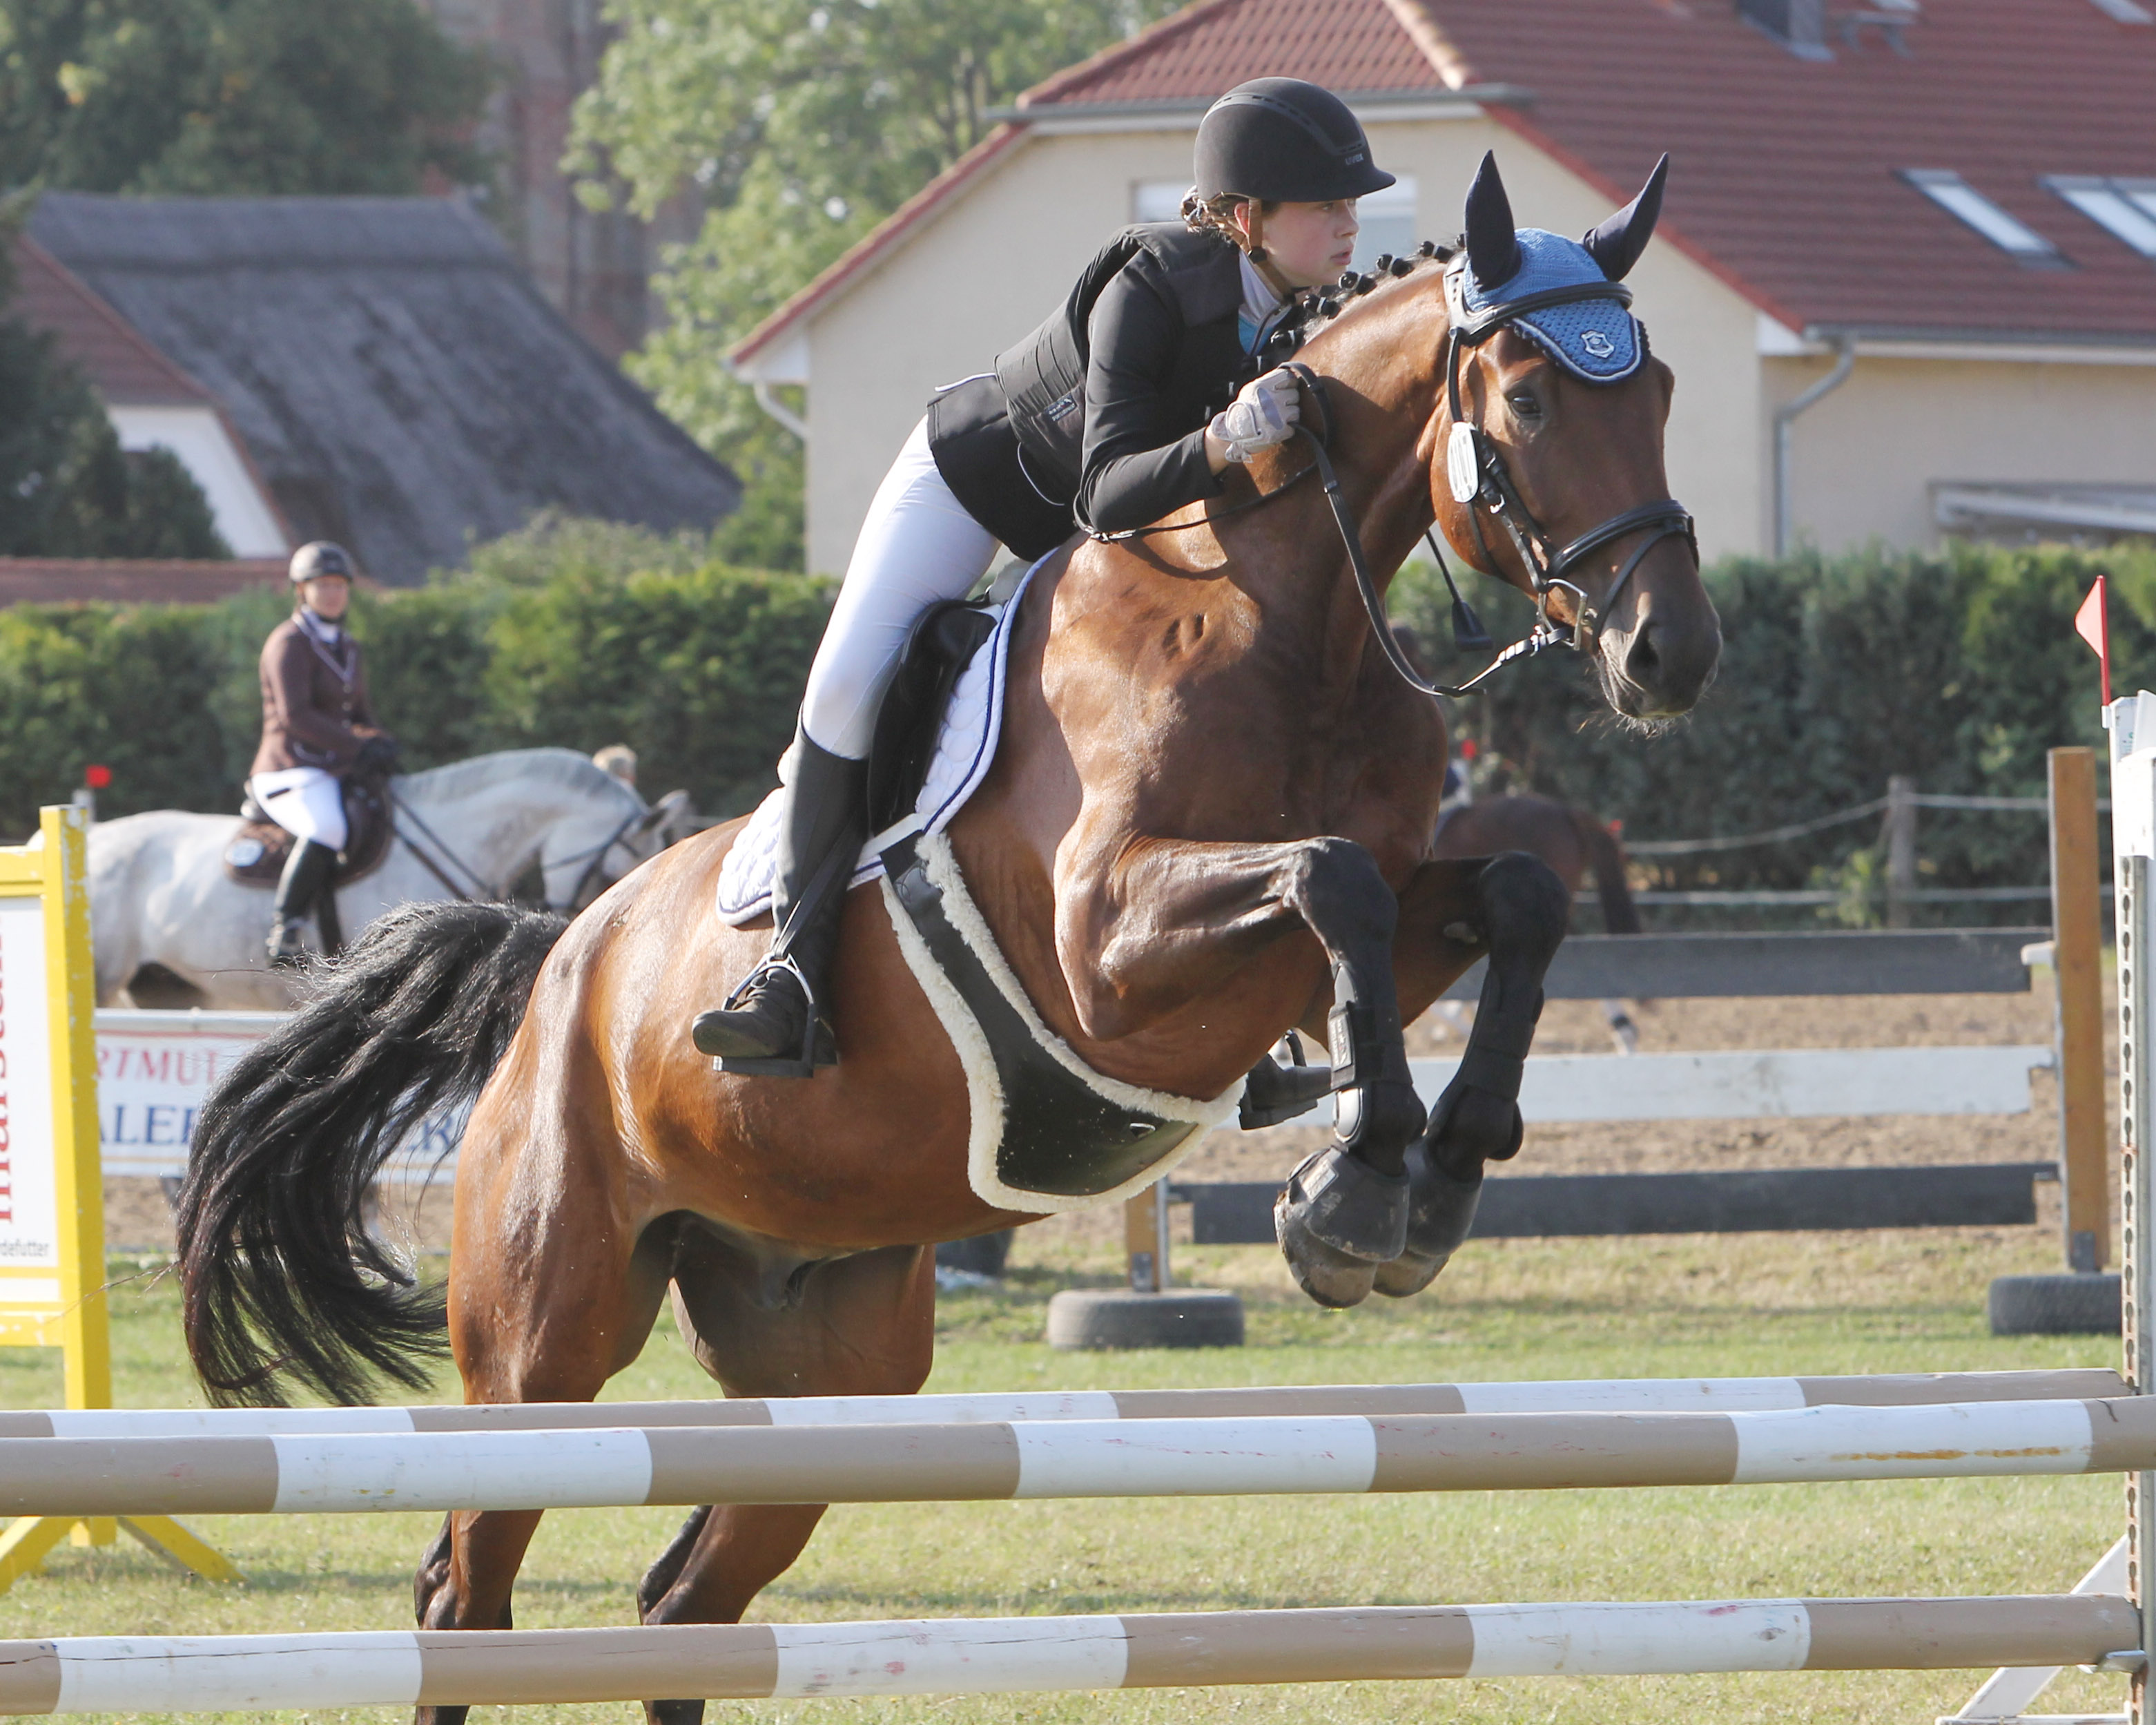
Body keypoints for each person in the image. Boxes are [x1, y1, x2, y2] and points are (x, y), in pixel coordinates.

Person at [692, 77, 1394, 1076]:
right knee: (848, 688)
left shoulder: (1301, 310)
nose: (1347, 224)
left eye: (1349, 205)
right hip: (974, 487)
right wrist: (1224, 438)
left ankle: (1266, 1015)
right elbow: (1109, 487)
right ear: (1246, 218)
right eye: (1325, 205)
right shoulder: (1151, 284)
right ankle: (788, 974)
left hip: (1088, 546)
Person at [249, 541, 398, 965]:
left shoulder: (348, 646)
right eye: (323, 585)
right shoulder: (288, 643)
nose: (333, 593)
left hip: (333, 769)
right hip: (289, 770)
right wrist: (357, 745)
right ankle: (287, 926)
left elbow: (361, 713)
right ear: (302, 590)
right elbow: (295, 715)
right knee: (328, 828)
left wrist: (380, 739)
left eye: (339, 585)